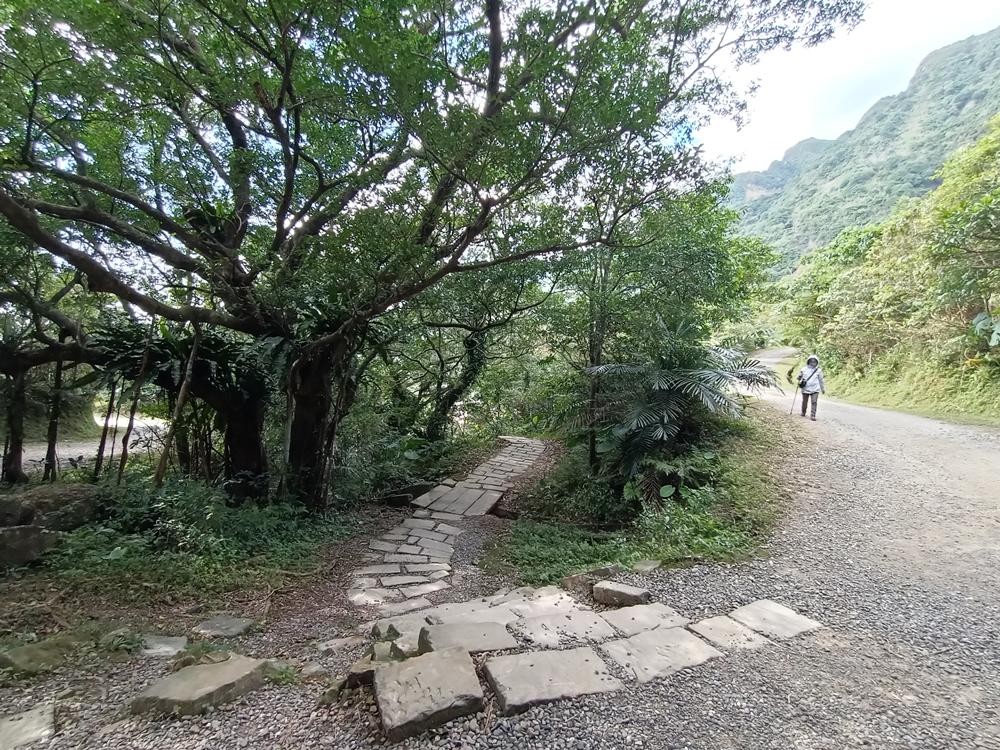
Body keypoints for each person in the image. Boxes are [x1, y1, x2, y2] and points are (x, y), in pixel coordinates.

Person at [797, 354, 826, 421]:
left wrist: (822, 389)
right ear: (808, 361)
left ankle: (813, 415)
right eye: (811, 361)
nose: (813, 363)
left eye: (814, 361)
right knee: (805, 401)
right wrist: (799, 377)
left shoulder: (818, 370)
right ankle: (803, 412)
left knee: (814, 402)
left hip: (815, 389)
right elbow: (799, 377)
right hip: (805, 389)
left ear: (817, 362)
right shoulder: (804, 369)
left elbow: (821, 380)